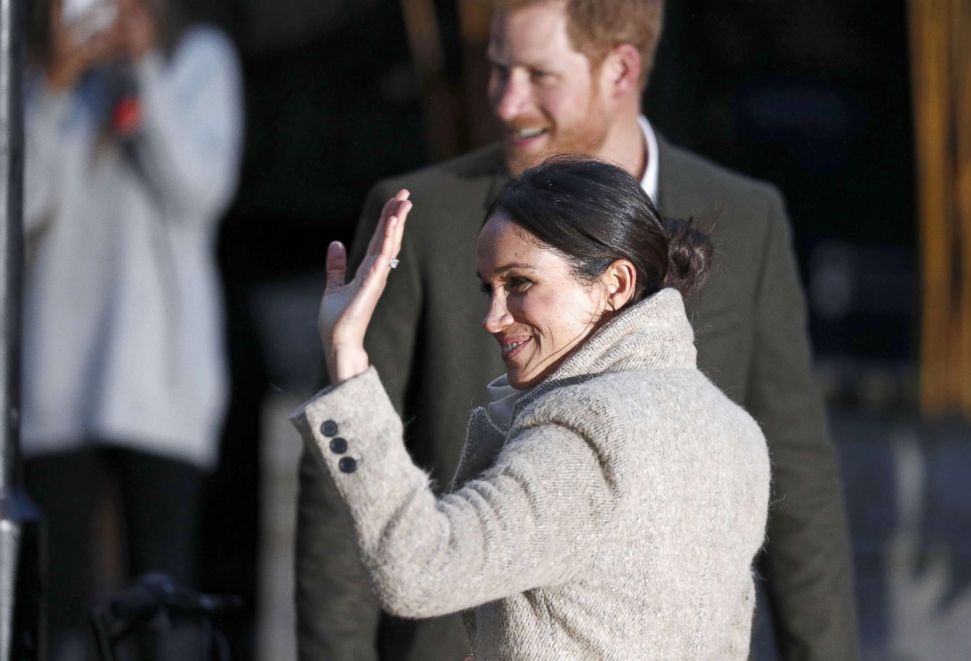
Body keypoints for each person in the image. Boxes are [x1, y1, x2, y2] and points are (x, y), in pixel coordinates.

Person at [296, 1, 859, 659]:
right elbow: (337, 513)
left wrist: (345, 359)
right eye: (497, 69)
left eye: (538, 74)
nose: (507, 102)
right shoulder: (422, 214)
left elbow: (802, 479)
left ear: (620, 69)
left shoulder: (746, 221)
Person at [294, 158, 771, 659]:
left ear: (616, 285)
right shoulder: (737, 433)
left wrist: (347, 358)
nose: (493, 318)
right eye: (488, 288)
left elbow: (418, 567)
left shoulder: (587, 432)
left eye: (519, 283)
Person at [22, 0, 241, 657]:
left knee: (161, 602)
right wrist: (52, 88)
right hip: (58, 376)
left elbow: (201, 187)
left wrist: (145, 68)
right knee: (53, 606)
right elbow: (21, 202)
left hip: (160, 377)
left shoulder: (198, 59)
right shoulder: (50, 75)